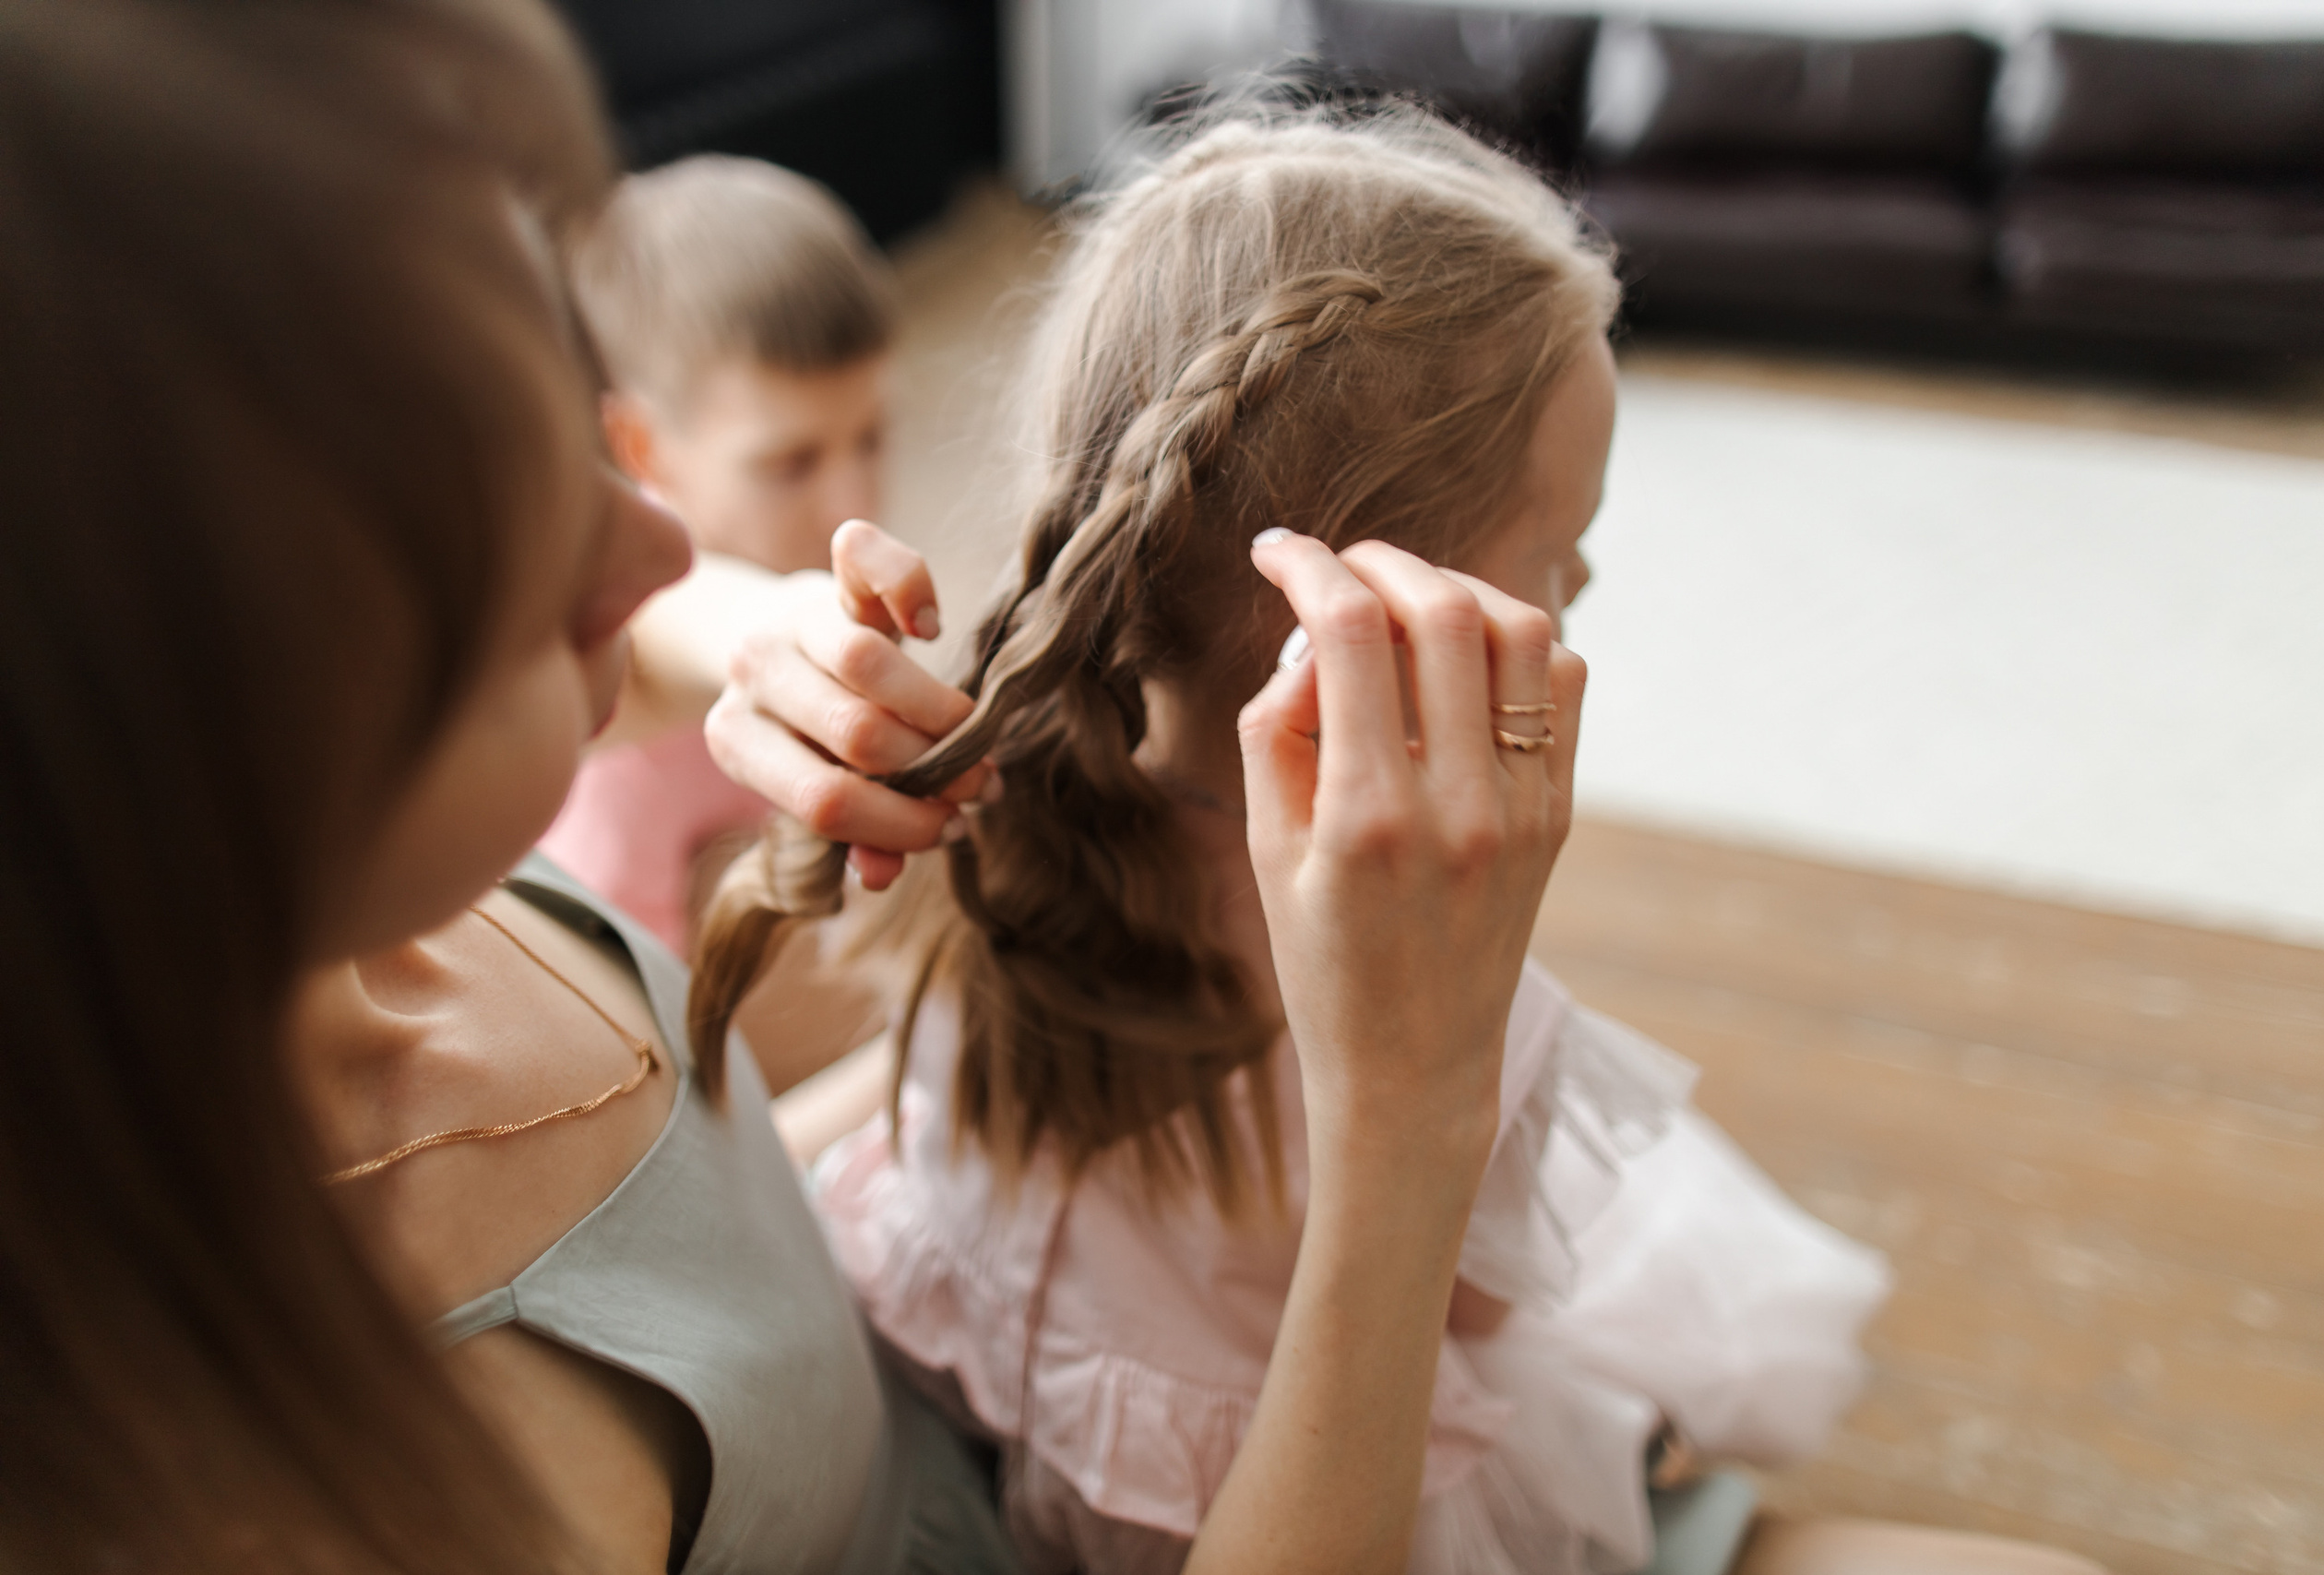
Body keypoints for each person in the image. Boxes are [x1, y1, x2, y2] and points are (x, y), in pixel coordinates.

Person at [0, 4, 1591, 1573]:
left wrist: (754, 630)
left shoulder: (360, 896)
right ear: (164, 688)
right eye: (480, 506)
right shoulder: (331, 1479)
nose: (657, 541)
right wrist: (1410, 1120)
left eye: (563, 414)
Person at [692, 110, 1887, 1575]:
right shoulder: (1443, 1008)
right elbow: (1482, 1318)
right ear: (1370, 611)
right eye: (1556, 544)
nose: (1582, 577)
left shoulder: (987, 796)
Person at [541, 153, 900, 958]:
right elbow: (650, 1056)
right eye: (790, 463)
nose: (853, 507)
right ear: (642, 446)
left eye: (871, 438)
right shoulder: (617, 773)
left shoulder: (827, 589)